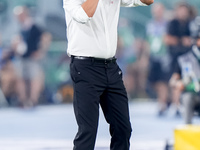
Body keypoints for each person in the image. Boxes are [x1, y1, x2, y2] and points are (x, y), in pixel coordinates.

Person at [63, 0, 154, 149]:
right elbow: (84, 15)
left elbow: (147, 1)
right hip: (85, 68)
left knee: (123, 128)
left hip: (111, 67)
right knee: (88, 131)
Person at [13, 6, 51, 107]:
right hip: (22, 58)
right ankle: (23, 100)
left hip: (32, 58)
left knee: (34, 79)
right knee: (21, 79)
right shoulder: (21, 27)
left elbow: (46, 37)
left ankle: (33, 100)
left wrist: (41, 51)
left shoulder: (34, 25)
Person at [169, 16, 200, 124]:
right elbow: (173, 81)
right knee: (187, 98)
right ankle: (188, 130)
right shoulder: (184, 59)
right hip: (194, 96)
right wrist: (179, 83)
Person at [165, 2, 192, 116]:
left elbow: (193, 40)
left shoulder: (191, 23)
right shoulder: (172, 23)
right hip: (175, 57)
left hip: (188, 58)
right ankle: (175, 104)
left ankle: (184, 104)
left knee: (187, 80)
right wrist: (182, 41)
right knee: (174, 79)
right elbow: (167, 39)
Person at [146, 3, 170, 116]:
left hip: (164, 56)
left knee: (162, 81)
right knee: (153, 81)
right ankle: (166, 99)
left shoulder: (167, 24)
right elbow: (148, 41)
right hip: (153, 55)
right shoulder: (150, 24)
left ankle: (162, 104)